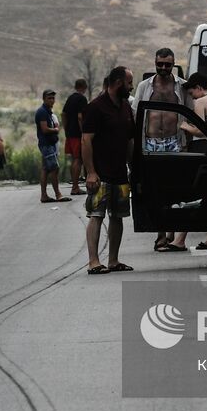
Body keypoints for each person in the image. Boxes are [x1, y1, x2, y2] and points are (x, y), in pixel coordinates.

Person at [134, 47, 190, 252]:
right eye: (160, 64)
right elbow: (136, 116)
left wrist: (187, 144)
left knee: (174, 189)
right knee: (155, 190)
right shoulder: (144, 87)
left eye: (168, 64)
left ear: (174, 64)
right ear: (155, 63)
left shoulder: (182, 87)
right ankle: (160, 236)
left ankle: (172, 234)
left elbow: (190, 114)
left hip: (175, 141)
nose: (164, 68)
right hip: (151, 143)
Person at [82, 66, 135, 274]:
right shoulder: (96, 107)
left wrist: (133, 166)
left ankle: (113, 260)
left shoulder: (125, 107)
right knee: (97, 215)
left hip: (120, 173)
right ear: (119, 83)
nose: (131, 87)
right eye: (129, 83)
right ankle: (93, 261)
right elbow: (86, 141)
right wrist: (91, 172)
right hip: (100, 174)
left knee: (118, 216)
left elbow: (130, 140)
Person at [173, 73, 207, 251]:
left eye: (192, 92)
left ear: (199, 88)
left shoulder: (201, 102)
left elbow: (200, 130)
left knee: (193, 195)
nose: (192, 97)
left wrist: (183, 125)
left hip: (204, 151)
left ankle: (179, 240)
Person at [35, 90, 70, 202]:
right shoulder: (42, 112)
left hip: (50, 144)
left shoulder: (48, 111)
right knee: (55, 168)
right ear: (44, 99)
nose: (52, 100)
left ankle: (44, 195)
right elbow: (44, 129)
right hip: (46, 144)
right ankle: (58, 194)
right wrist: (55, 129)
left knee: (46, 169)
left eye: (53, 98)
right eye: (49, 98)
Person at [62, 78, 89, 195]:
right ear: (84, 87)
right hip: (78, 134)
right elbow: (80, 117)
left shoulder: (70, 98)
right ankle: (75, 187)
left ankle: (74, 185)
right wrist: (83, 132)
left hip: (70, 134)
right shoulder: (82, 99)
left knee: (74, 159)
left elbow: (63, 114)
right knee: (78, 160)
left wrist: (66, 129)